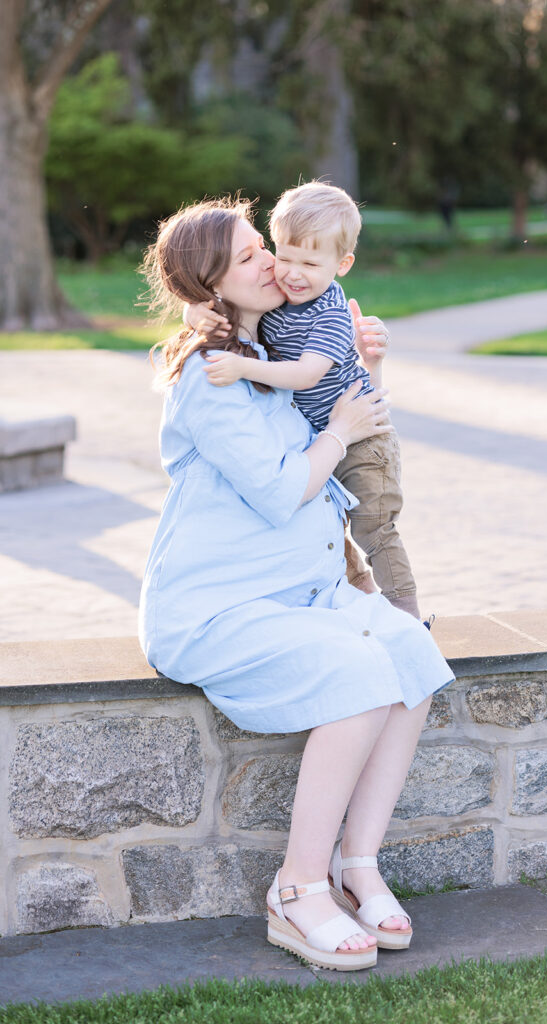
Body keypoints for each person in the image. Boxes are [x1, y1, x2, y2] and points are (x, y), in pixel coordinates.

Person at [139, 197, 454, 973]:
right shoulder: (210, 377)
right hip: (220, 611)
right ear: (210, 286)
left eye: (263, 247)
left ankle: (358, 865)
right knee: (359, 676)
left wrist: (366, 366)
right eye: (250, 257)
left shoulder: (276, 345)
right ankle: (296, 887)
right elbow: (286, 488)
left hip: (298, 595)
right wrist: (341, 429)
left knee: (410, 651)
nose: (271, 263)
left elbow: (349, 419)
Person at [184, 181, 420, 619]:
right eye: (284, 256)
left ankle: (405, 612)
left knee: (374, 527)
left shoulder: (328, 309)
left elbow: (309, 373)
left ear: (342, 264)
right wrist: (194, 309)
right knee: (326, 527)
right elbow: (214, 296)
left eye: (309, 263)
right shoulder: (280, 297)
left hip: (363, 441)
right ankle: (363, 596)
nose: (290, 272)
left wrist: (243, 368)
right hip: (324, 435)